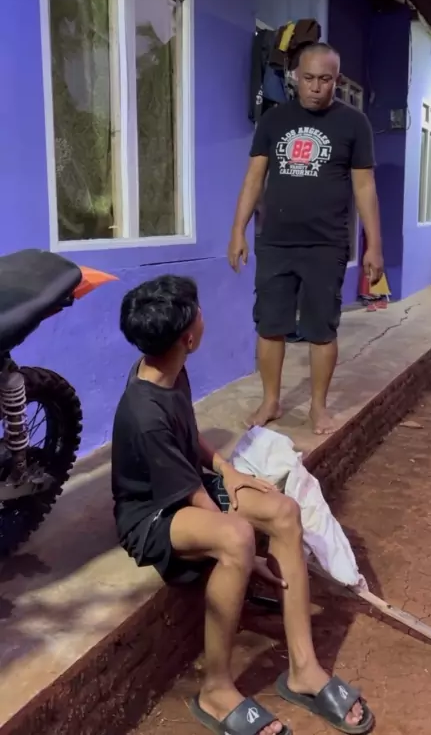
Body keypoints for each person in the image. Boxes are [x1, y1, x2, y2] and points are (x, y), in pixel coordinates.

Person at [111, 275, 374, 735]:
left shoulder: (166, 366)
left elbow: (185, 434)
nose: (202, 315)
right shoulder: (144, 413)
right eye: (198, 312)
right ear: (188, 337)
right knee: (236, 537)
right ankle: (215, 690)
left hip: (184, 486)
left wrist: (226, 470)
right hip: (151, 515)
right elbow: (191, 495)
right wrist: (249, 557)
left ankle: (304, 669)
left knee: (284, 512)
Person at [228, 43, 383, 435]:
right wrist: (237, 231)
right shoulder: (274, 120)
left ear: (336, 80)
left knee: (321, 329)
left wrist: (374, 246)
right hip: (275, 242)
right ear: (295, 76)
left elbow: (365, 187)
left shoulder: (354, 124)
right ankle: (271, 400)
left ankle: (318, 406)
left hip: (326, 244)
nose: (316, 87)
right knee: (270, 325)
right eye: (309, 78)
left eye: (325, 79)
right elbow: (254, 178)